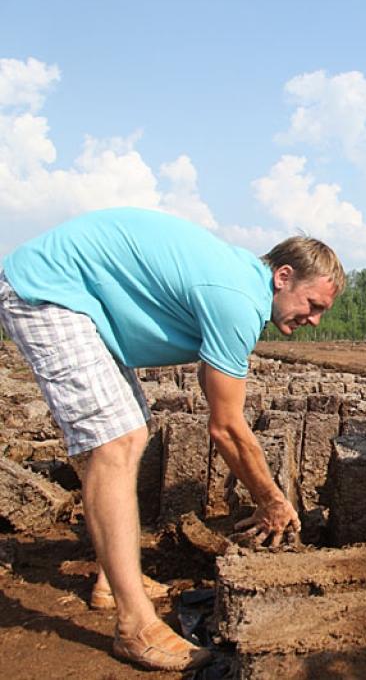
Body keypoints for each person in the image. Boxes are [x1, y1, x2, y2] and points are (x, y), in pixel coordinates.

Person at [0, 207, 344, 671]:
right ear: (284, 276)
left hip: (69, 294)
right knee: (116, 441)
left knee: (128, 430)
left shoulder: (240, 284)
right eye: (314, 305)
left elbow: (211, 383)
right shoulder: (237, 298)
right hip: (47, 293)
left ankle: (112, 577)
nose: (315, 321)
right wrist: (271, 500)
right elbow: (225, 427)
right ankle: (134, 627)